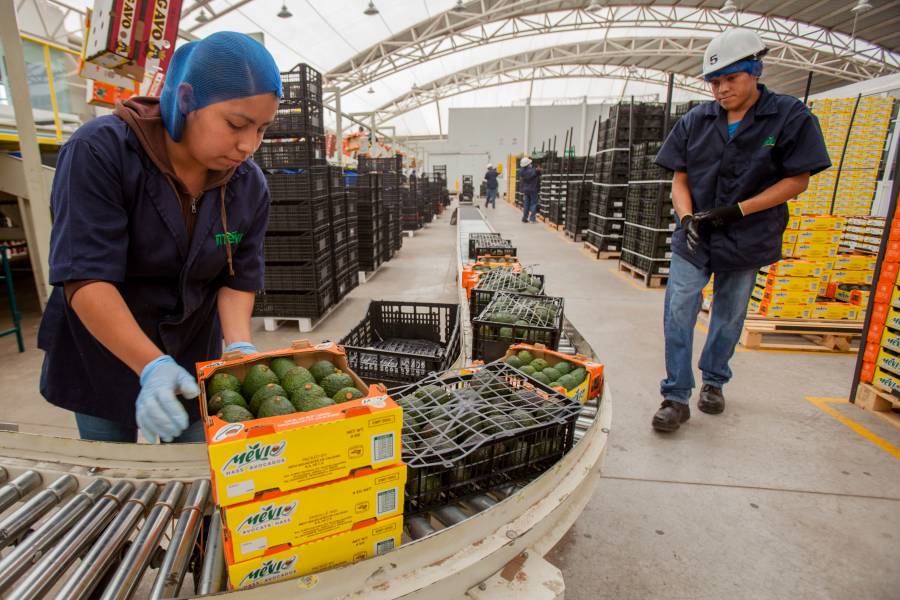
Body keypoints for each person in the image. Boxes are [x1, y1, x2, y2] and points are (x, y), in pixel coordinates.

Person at [37, 32, 282, 443]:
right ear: (186, 100)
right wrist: (150, 365)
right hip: (102, 350)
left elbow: (237, 275)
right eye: (237, 124)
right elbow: (86, 275)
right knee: (114, 473)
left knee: (193, 476)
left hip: (191, 354)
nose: (248, 145)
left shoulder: (248, 183)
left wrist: (239, 344)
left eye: (262, 129)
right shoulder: (100, 152)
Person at [651, 29, 830, 432]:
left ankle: (714, 380)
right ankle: (675, 396)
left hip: (747, 234)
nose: (722, 89)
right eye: (715, 82)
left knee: (729, 314)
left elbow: (797, 180)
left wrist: (738, 210)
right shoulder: (696, 120)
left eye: (730, 79)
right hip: (695, 236)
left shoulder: (789, 116)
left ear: (755, 71)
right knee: (678, 309)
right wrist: (685, 219)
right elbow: (679, 178)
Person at [519, 157, 541, 223]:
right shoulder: (532, 171)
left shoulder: (521, 171)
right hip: (533, 190)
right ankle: (532, 219)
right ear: (528, 164)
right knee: (534, 204)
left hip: (526, 190)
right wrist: (538, 169)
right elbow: (538, 172)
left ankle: (524, 218)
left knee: (526, 204)